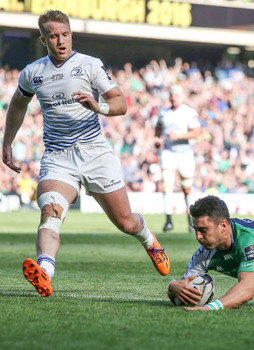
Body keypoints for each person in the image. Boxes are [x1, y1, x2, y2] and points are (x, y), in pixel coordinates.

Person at [1, 10, 170, 297]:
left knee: (125, 222)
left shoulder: (90, 65)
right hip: (57, 156)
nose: (61, 41)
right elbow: (18, 104)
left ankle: (149, 239)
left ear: (71, 35)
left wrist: (98, 106)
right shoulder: (33, 72)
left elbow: (120, 103)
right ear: (43, 40)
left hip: (94, 153)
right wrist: (7, 141)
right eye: (53, 36)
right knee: (49, 214)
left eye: (65, 34)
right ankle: (45, 271)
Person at [154, 85, 201, 233]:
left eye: (176, 96)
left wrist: (179, 136)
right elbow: (158, 128)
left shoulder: (189, 112)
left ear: (181, 97)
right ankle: (168, 221)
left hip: (185, 153)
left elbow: (196, 132)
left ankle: (190, 221)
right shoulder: (164, 113)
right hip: (169, 152)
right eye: (171, 96)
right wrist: (157, 139)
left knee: (186, 188)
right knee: (167, 184)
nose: (173, 98)